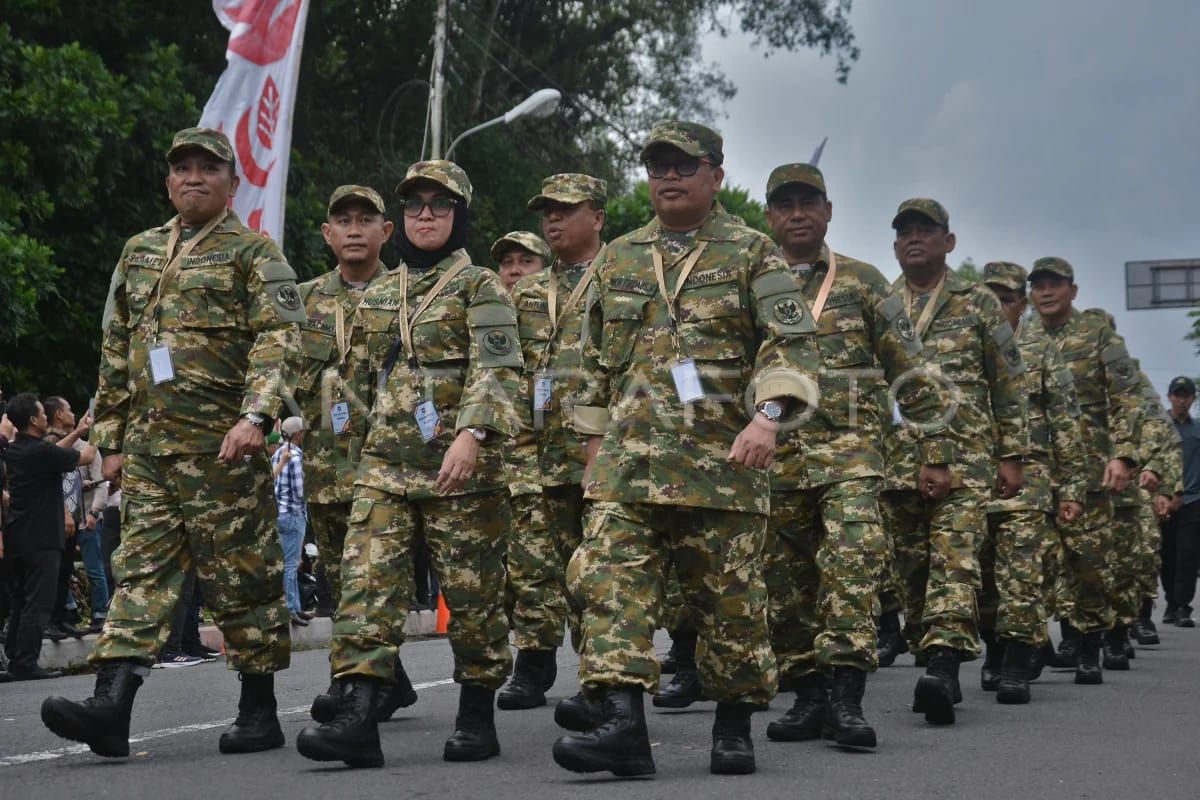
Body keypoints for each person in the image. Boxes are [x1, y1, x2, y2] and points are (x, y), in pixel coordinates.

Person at [551, 121, 821, 777]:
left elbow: (793, 347)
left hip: (722, 469)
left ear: (716, 176)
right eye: (656, 165)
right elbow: (591, 365)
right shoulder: (618, 257)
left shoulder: (755, 253)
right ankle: (622, 727)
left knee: (730, 611)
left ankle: (733, 729)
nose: (668, 176)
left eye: (683, 164)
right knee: (612, 592)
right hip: (628, 466)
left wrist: (766, 417)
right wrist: (591, 449)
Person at [40, 127, 304, 758]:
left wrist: (257, 417)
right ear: (168, 181)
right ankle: (110, 709)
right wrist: (112, 439)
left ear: (230, 183)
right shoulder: (139, 252)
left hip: (224, 452)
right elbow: (118, 348)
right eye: (181, 168)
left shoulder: (256, 253)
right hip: (153, 452)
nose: (193, 177)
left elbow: (280, 342)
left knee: (243, 578)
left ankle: (258, 709)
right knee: (139, 576)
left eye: (206, 169)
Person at [295, 160, 523, 768]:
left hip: (461, 472)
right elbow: (351, 379)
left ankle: (477, 713)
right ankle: (358, 719)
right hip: (384, 470)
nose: (426, 214)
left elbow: (499, 368)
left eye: (440, 206)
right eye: (416, 204)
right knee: (364, 591)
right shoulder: (378, 293)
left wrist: (472, 434)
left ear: (459, 216)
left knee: (472, 602)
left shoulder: (480, 286)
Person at [758, 163, 935, 749]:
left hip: (852, 457)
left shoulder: (862, 282)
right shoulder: (748, 282)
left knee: (853, 568)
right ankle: (807, 696)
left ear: (828, 211)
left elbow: (909, 367)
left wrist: (933, 444)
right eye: (785, 205)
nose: (798, 214)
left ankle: (847, 699)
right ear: (769, 217)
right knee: (786, 584)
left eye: (809, 203)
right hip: (774, 461)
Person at [877, 199, 1027, 726]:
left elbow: (1008, 381)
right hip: (896, 462)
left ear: (949, 242)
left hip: (967, 459)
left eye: (926, 231)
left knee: (955, 561)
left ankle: (943, 667)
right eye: (905, 232)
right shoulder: (880, 301)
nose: (913, 239)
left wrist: (1013, 454)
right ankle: (931, 648)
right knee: (912, 574)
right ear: (894, 244)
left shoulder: (978, 302)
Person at [293, 184, 418, 724]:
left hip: (388, 464)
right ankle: (385, 680)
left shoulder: (411, 295)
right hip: (325, 464)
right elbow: (281, 369)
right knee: (340, 580)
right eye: (342, 220)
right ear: (326, 233)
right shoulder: (303, 300)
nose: (353, 229)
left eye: (365, 220)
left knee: (378, 578)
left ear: (386, 232)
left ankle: (354, 683)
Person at [500, 174, 606, 713]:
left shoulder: (622, 276)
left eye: (567, 209)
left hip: (600, 455)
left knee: (598, 568)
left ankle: (601, 676)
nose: (554, 219)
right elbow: (509, 374)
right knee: (532, 565)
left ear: (599, 218)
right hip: (537, 456)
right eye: (548, 211)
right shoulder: (530, 293)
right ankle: (534, 664)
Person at [1025, 257, 1140, 684]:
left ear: (1073, 291)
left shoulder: (1098, 335)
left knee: (1088, 563)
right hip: (1036, 470)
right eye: (1038, 285)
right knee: (1034, 563)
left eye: (1055, 284)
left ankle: (1090, 643)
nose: (1047, 292)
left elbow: (1129, 398)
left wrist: (1123, 454)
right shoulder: (1021, 337)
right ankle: (1043, 642)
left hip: (1091, 470)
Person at [978, 262, 1087, 703]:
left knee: (1020, 576)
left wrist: (1073, 489)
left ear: (1020, 304)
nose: (998, 307)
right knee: (982, 577)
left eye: (1006, 299)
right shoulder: (965, 345)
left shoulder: (1041, 351)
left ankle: (1018, 661)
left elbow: (1065, 421)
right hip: (976, 479)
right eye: (990, 299)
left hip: (1031, 480)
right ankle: (996, 648)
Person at [2, 394, 92, 680]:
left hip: (19, 536)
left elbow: (53, 452)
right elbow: (86, 456)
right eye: (42, 413)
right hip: (42, 537)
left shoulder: (17, 450)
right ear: (33, 420)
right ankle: (27, 662)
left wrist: (77, 432)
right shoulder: (40, 454)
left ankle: (16, 659)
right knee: (39, 602)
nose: (45, 417)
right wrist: (101, 432)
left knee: (20, 601)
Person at [1162, 376, 1200, 627]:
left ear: (1193, 399)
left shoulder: (1197, 429)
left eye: (1186, 395)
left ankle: (1183, 606)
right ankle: (1171, 603)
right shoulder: (1159, 426)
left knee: (1188, 554)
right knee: (1166, 555)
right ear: (1170, 397)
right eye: (1177, 395)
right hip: (1164, 501)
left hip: (1193, 498)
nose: (1182, 400)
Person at [272, 416, 309, 627]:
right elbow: (300, 492)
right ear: (298, 435)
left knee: (288, 563)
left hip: (279, 511)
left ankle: (295, 607)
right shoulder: (295, 457)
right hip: (293, 513)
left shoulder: (278, 453)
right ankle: (291, 609)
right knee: (290, 565)